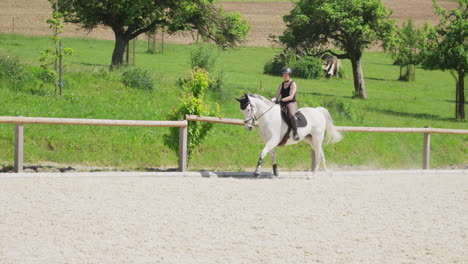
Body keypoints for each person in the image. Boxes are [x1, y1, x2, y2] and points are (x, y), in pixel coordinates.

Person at [271, 68, 299, 141]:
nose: (284, 76)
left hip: (291, 102)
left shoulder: (293, 84)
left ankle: (296, 133)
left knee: (291, 114)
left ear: (289, 75)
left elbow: (291, 96)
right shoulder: (281, 84)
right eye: (283, 74)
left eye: (286, 74)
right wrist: (272, 100)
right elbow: (276, 95)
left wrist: (280, 100)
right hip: (282, 102)